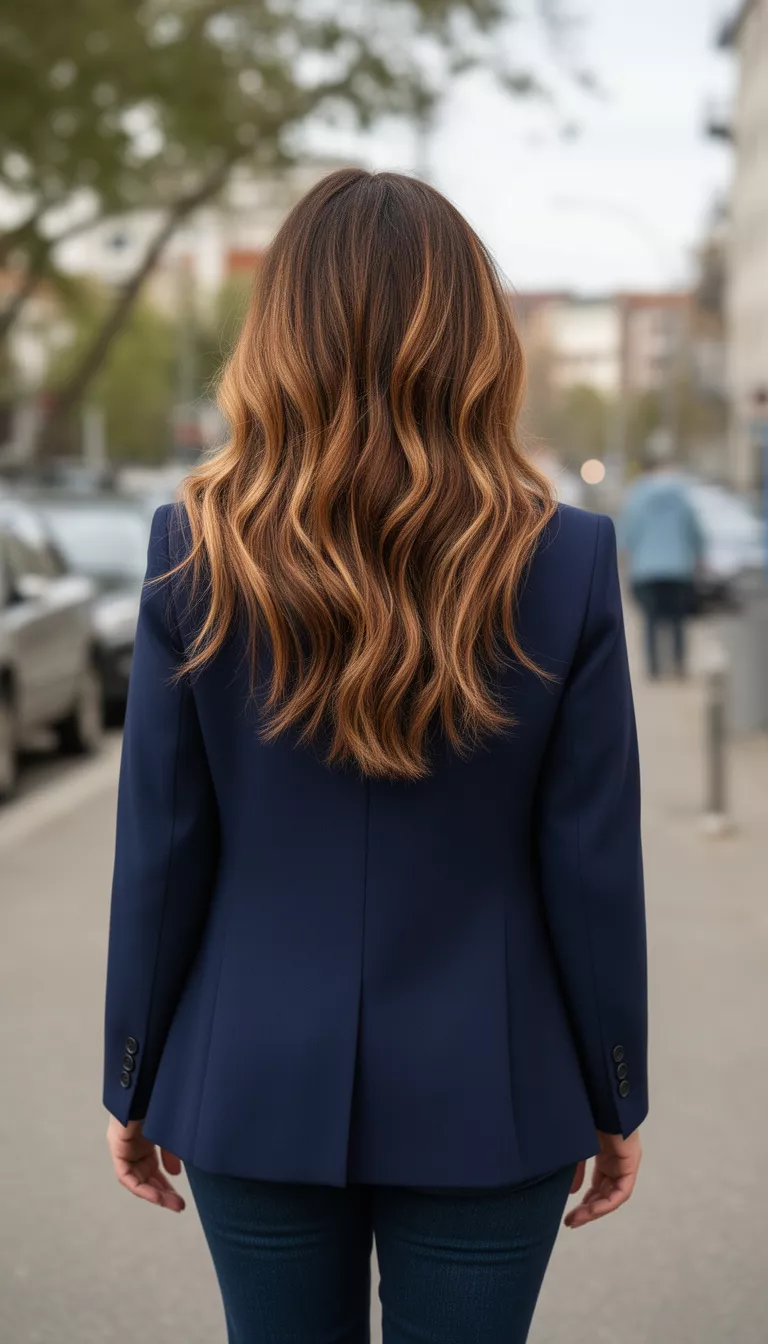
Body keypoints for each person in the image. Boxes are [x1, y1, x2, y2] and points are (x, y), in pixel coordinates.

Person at [103, 170, 648, 1344]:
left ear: (278, 335)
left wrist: (134, 1077)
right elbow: (591, 867)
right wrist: (615, 1093)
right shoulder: (568, 561)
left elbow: (163, 845)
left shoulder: (193, 548)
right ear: (476, 341)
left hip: (249, 1065)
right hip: (496, 1083)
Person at [618, 440, 705, 679]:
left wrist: (625, 562)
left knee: (651, 621)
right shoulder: (682, 494)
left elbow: (627, 534)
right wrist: (699, 557)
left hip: (646, 569)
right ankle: (678, 665)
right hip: (679, 567)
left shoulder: (636, 495)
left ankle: (655, 668)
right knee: (678, 620)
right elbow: (695, 530)